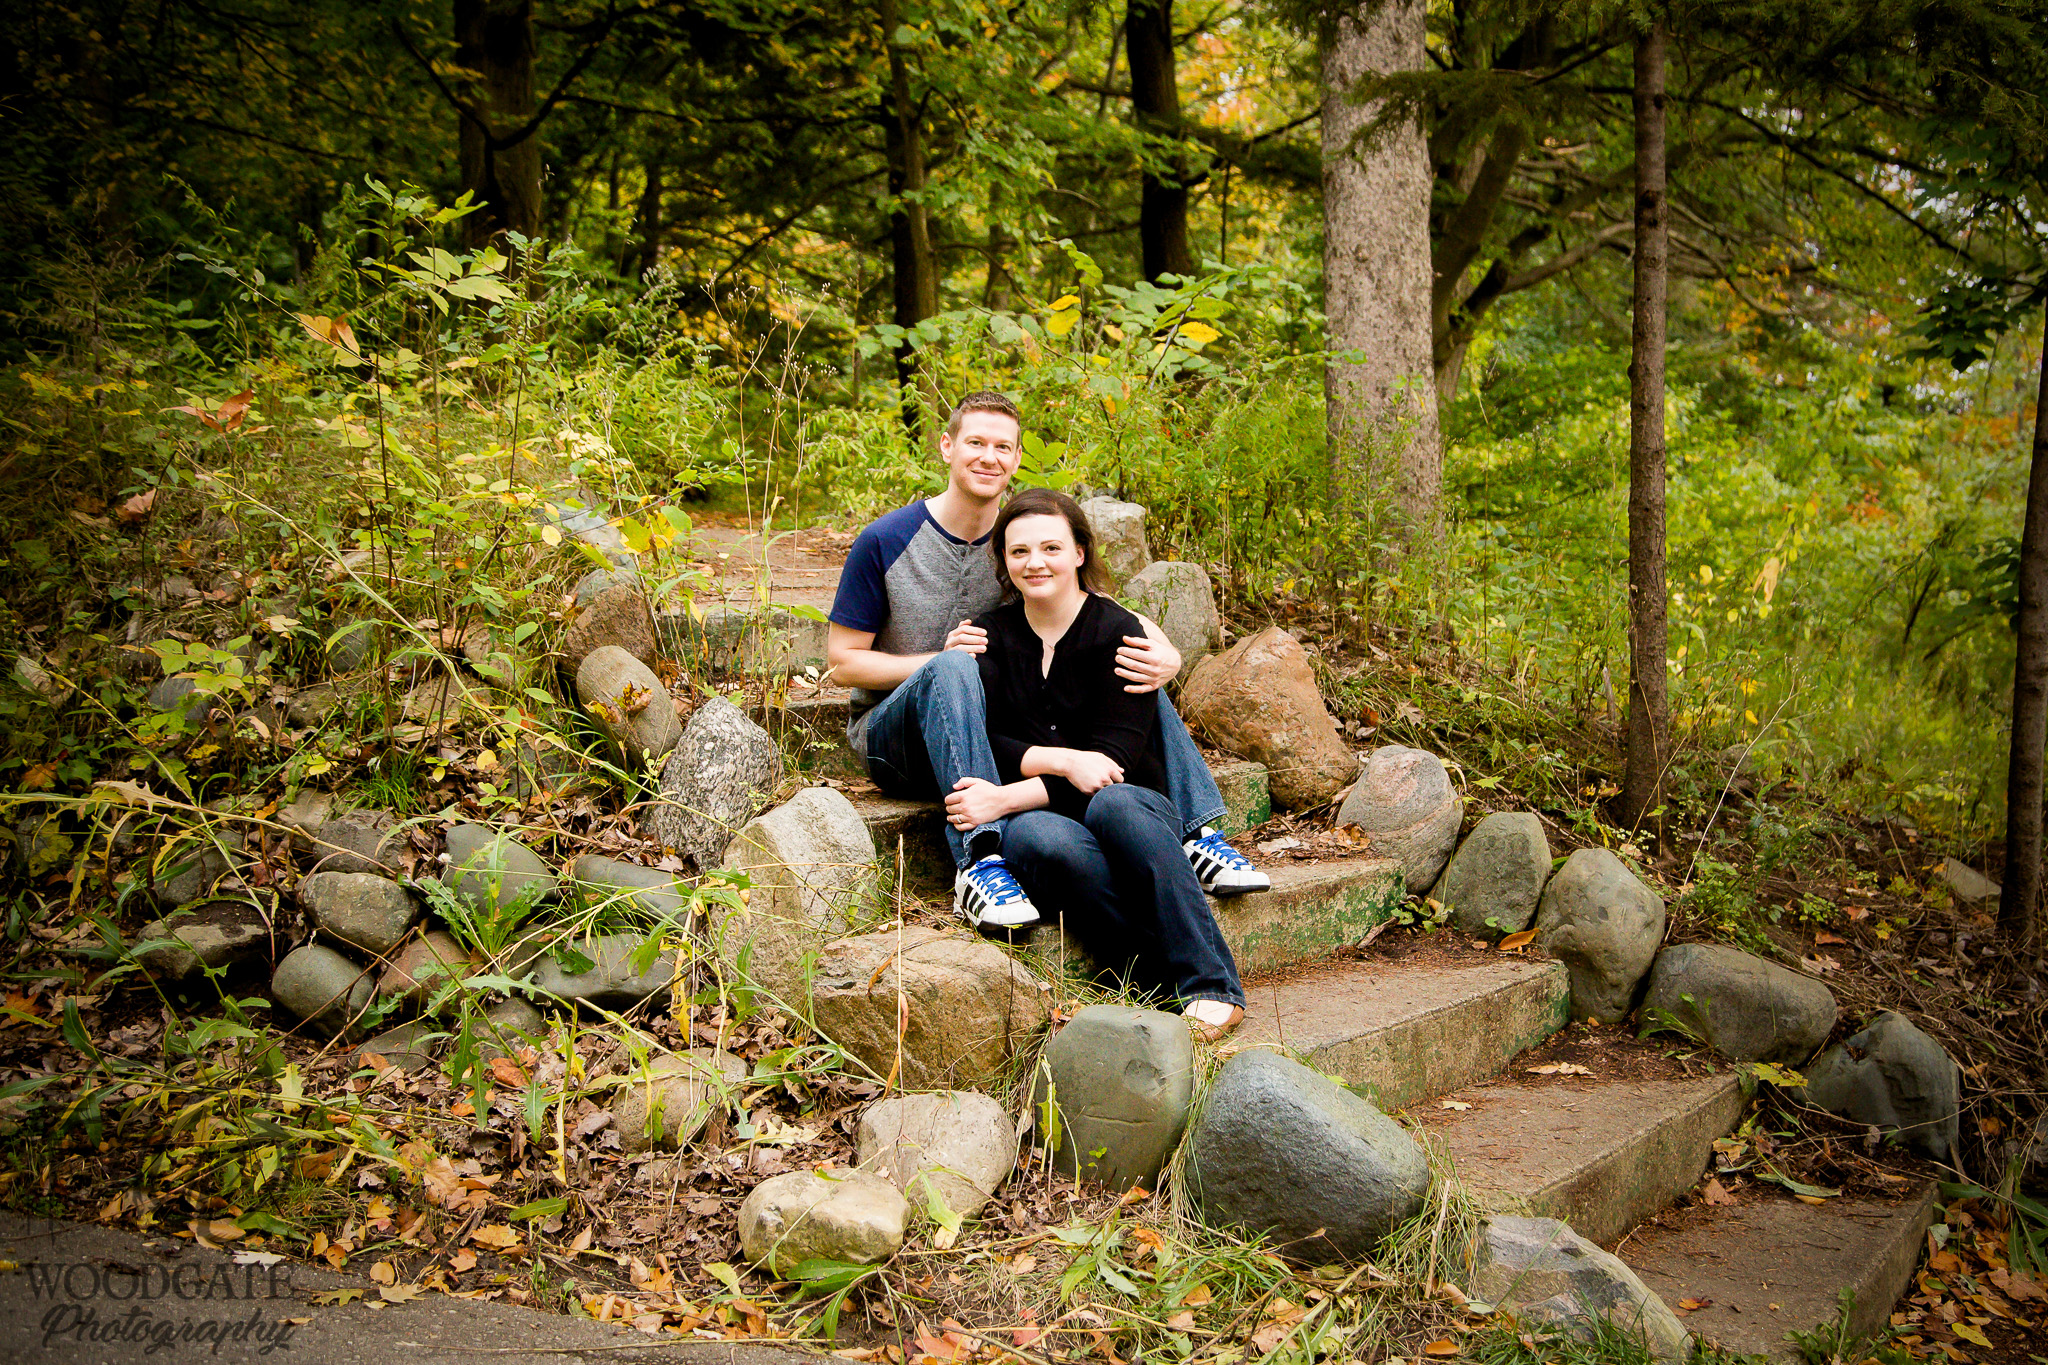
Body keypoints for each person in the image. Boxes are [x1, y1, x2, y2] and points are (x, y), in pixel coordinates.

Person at [826, 391, 1268, 934]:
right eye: (975, 443)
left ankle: (1200, 835)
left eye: (1003, 447)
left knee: (1135, 661)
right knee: (955, 669)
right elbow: (843, 663)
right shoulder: (886, 540)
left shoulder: (1021, 542)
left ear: (1015, 459)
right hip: (895, 736)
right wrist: (940, 660)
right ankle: (980, 862)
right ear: (947, 447)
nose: (989, 457)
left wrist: (1168, 655)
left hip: (995, 732)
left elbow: (1103, 613)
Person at [940, 488, 1247, 1041]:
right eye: (1019, 552)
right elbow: (993, 740)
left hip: (1130, 804)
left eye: (1051, 547)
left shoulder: (1122, 635)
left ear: (1080, 552)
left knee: (1113, 805)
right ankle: (1152, 986)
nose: (1036, 563)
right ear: (1004, 562)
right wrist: (1058, 763)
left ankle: (1211, 984)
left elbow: (1113, 765)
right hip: (1052, 817)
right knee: (1036, 841)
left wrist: (1006, 797)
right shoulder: (990, 636)